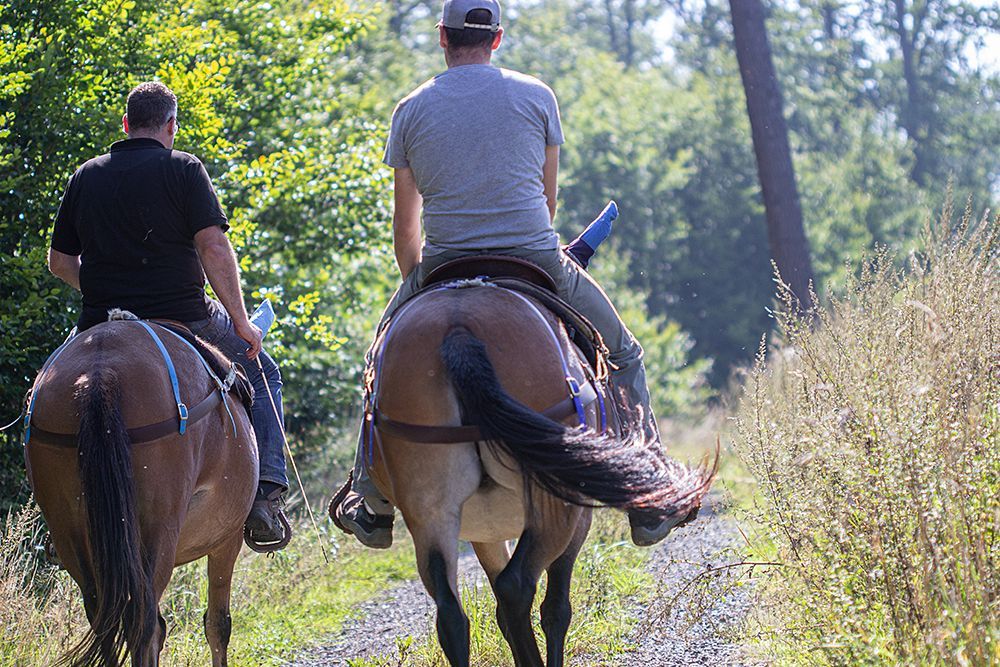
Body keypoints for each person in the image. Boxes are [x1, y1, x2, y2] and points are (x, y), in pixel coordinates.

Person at [332, 0, 686, 549]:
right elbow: (546, 204)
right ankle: (649, 492)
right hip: (536, 259)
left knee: (379, 360)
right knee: (625, 352)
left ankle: (370, 500)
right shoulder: (537, 95)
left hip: (445, 262)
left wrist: (418, 283)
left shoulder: (410, 109)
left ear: (442, 39)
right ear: (496, 40)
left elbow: (406, 229)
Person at [47, 81, 290, 549]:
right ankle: (264, 499)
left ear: (125, 124)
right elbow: (213, 246)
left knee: (45, 394)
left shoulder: (86, 175)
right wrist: (241, 322)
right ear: (171, 126)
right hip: (185, 318)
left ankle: (55, 517)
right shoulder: (184, 168)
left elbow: (60, 262)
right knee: (264, 375)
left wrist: (100, 288)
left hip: (101, 322)